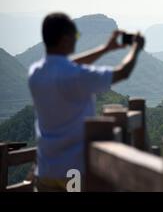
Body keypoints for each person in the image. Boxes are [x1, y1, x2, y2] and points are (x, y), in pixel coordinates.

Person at [28, 12, 145, 191]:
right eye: (75, 36)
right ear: (65, 39)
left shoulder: (35, 73)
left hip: (46, 170)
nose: (76, 40)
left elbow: (64, 65)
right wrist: (136, 48)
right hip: (73, 172)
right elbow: (123, 72)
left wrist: (105, 49)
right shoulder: (76, 76)